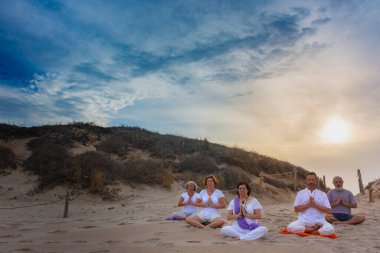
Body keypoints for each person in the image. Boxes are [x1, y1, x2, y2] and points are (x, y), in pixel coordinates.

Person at [287, 172, 335, 236]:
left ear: (316, 181)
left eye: (313, 180)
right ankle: (312, 230)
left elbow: (328, 210)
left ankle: (312, 230)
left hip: (319, 221)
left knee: (331, 230)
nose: (311, 182)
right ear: (306, 181)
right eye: (309, 180)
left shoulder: (322, 194)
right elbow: (296, 209)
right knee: (290, 227)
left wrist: (315, 205)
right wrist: (308, 205)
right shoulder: (300, 193)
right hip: (303, 220)